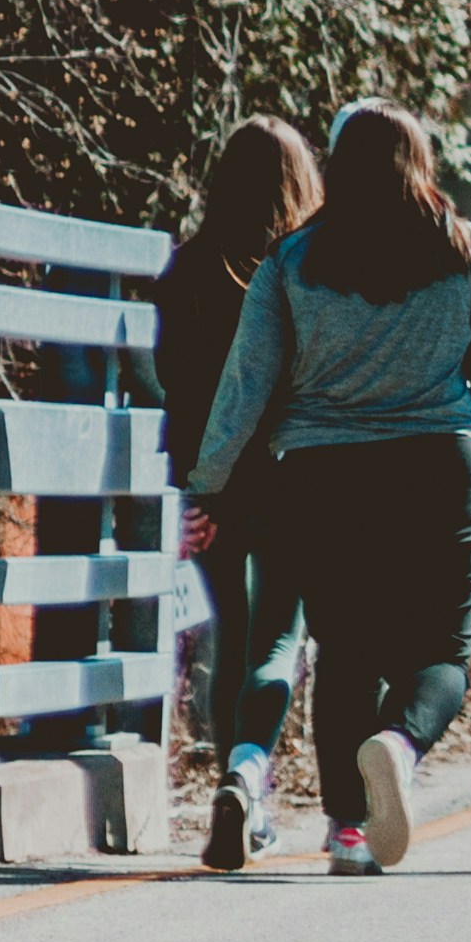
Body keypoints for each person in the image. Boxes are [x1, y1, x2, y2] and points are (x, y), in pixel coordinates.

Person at [189, 97, 471, 872]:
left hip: (321, 477)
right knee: (441, 653)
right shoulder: (468, 250)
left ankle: (347, 831)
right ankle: (400, 742)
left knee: (342, 652)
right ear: (422, 160)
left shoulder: (290, 260)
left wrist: (208, 483)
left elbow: (246, 382)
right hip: (440, 468)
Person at [149, 112, 324, 871]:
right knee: (278, 638)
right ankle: (245, 778)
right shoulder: (310, 270)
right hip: (293, 478)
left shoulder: (186, 270)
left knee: (230, 627)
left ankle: (236, 784)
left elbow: (177, 384)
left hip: (213, 481)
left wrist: (192, 489)